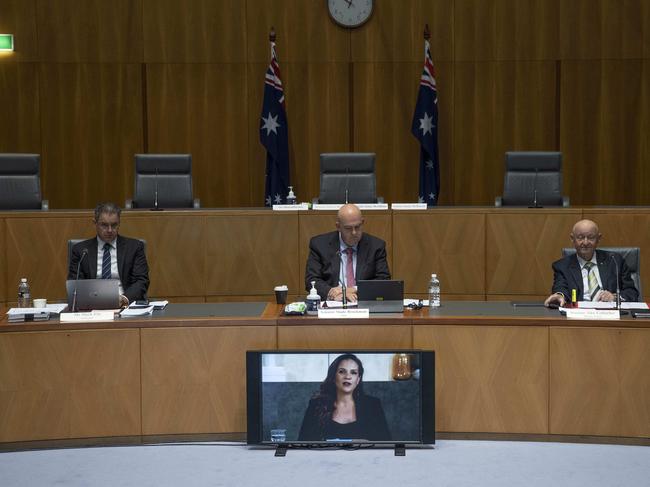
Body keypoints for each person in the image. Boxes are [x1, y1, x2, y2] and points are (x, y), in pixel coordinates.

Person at [68, 202, 150, 306]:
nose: (110, 230)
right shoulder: (81, 250)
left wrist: (124, 299)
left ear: (119, 223)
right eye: (104, 225)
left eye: (114, 225)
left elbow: (141, 281)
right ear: (95, 223)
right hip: (91, 305)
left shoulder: (134, 247)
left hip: (125, 305)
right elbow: (76, 284)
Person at [305, 203, 390, 302]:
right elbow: (311, 280)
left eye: (357, 227)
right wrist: (332, 293)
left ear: (362, 222)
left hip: (362, 302)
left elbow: (383, 280)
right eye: (348, 228)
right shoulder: (320, 245)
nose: (354, 233)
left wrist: (354, 289)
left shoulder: (376, 246)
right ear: (338, 226)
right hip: (333, 304)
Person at [544, 219, 638, 307]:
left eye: (591, 237)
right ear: (572, 239)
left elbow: (631, 292)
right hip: (578, 317)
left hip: (610, 314)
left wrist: (614, 297)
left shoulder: (615, 261)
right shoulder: (562, 266)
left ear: (598, 238)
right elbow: (561, 288)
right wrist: (560, 296)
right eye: (580, 238)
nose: (585, 242)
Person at [297, 353, 391, 441]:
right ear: (333, 376)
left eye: (353, 372)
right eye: (342, 372)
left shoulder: (372, 405)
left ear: (358, 379)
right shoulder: (316, 405)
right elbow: (303, 444)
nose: (348, 376)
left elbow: (385, 445)